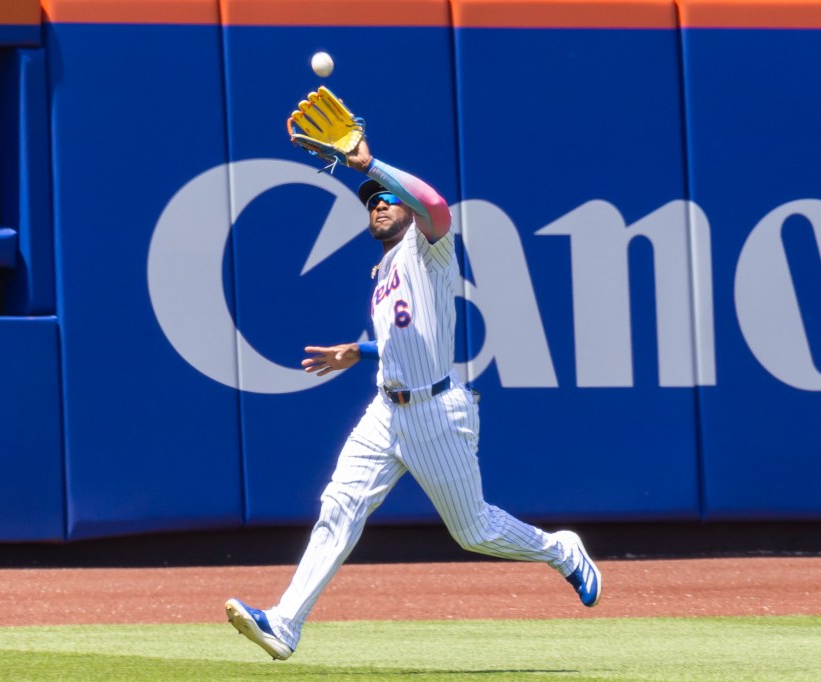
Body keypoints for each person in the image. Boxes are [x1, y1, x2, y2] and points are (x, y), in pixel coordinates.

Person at [225, 136, 601, 661]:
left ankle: (560, 550)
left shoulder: (428, 249)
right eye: (370, 202)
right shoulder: (382, 274)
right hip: (385, 411)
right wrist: (359, 350)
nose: (377, 204)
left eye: (387, 198)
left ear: (405, 206)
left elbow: (438, 206)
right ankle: (286, 622)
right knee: (339, 505)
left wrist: (370, 166)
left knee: (473, 531)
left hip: (435, 412)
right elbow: (407, 338)